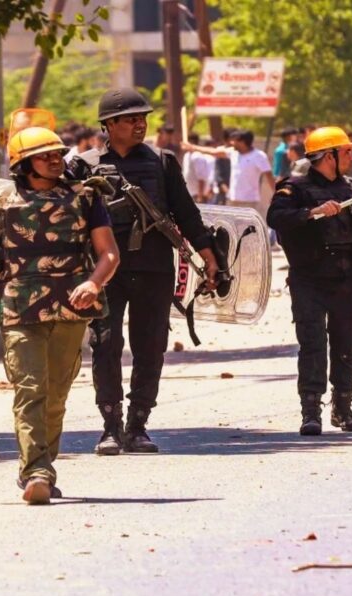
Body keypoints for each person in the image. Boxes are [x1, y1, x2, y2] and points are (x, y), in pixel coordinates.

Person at [0, 127, 119, 505]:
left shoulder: (86, 197)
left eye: (58, 154)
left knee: (56, 394)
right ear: (23, 165)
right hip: (18, 308)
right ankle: (36, 471)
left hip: (72, 308)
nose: (56, 160)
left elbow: (109, 253)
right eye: (45, 156)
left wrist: (93, 283)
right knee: (30, 389)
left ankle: (42, 463)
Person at [67, 87, 219, 455]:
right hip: (105, 272)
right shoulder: (83, 166)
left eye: (143, 118)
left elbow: (186, 212)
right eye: (131, 119)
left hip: (153, 268)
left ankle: (138, 424)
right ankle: (110, 425)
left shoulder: (162, 162)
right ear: (109, 124)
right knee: (106, 345)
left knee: (150, 346)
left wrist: (209, 256)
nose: (140, 124)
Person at [267, 126, 352, 435]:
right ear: (328, 156)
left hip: (347, 279)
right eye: (345, 151)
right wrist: (312, 213)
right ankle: (311, 410)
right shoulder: (294, 187)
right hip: (310, 279)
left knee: (346, 345)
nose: (351, 156)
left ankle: (343, 408)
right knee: (313, 344)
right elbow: (275, 219)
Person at [182, 129, 274, 220]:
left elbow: (269, 176)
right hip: (232, 200)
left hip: (249, 201)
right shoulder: (233, 152)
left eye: (234, 140)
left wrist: (276, 194)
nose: (231, 142)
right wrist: (193, 147)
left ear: (242, 142)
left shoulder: (259, 156)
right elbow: (213, 152)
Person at [182, 133, 215, 203]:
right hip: (189, 194)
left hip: (197, 195)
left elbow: (202, 178)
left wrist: (200, 196)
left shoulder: (197, 157)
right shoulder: (187, 155)